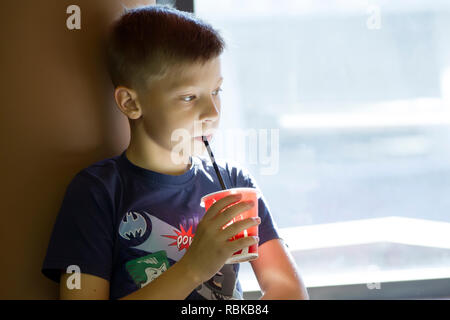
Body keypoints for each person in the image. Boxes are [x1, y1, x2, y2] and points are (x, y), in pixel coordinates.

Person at [41, 4, 309, 300]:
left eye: (216, 91)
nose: (212, 112)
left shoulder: (233, 182)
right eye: (188, 97)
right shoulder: (96, 194)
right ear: (130, 103)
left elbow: (288, 289)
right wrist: (193, 269)